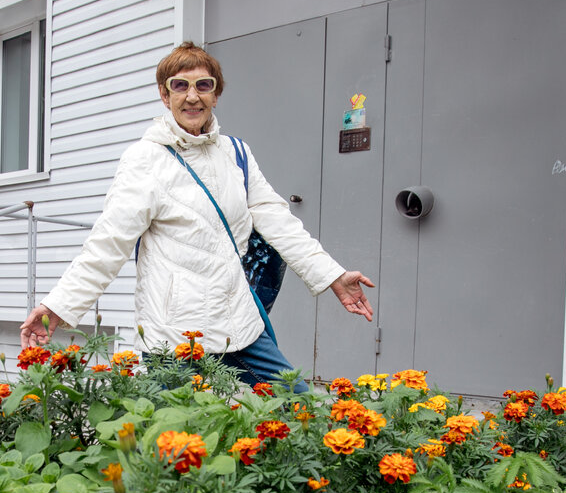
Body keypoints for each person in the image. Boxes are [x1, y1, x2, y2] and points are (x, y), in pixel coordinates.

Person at [20, 42, 373, 392]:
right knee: (176, 438)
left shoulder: (237, 153)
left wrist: (332, 275)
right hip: (173, 333)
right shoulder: (145, 160)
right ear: (165, 94)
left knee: (296, 401)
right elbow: (108, 243)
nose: (192, 96)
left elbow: (278, 221)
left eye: (204, 85)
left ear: (215, 95)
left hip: (239, 324)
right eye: (180, 85)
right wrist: (58, 306)